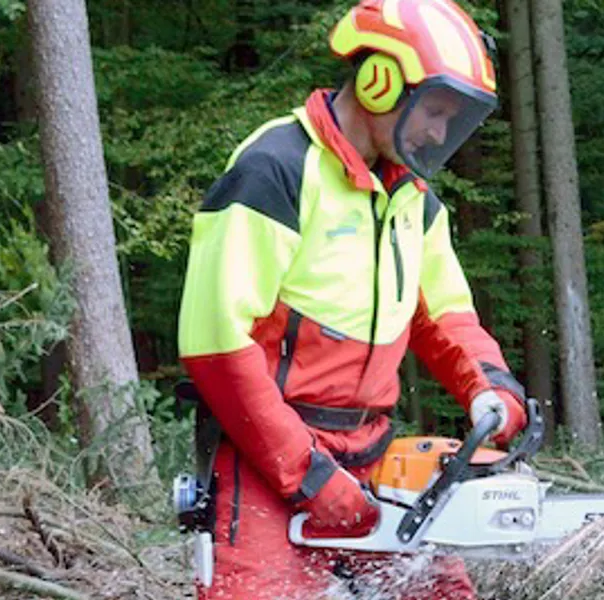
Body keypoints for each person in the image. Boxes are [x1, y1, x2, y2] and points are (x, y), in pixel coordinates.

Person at [176, 1, 527, 597]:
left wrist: (489, 386)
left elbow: (444, 316)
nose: (438, 133)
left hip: (371, 448)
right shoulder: (276, 171)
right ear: (379, 81)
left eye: (450, 119)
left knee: (436, 589)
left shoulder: (413, 200)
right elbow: (216, 344)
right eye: (434, 112)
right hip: (267, 452)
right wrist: (307, 473)